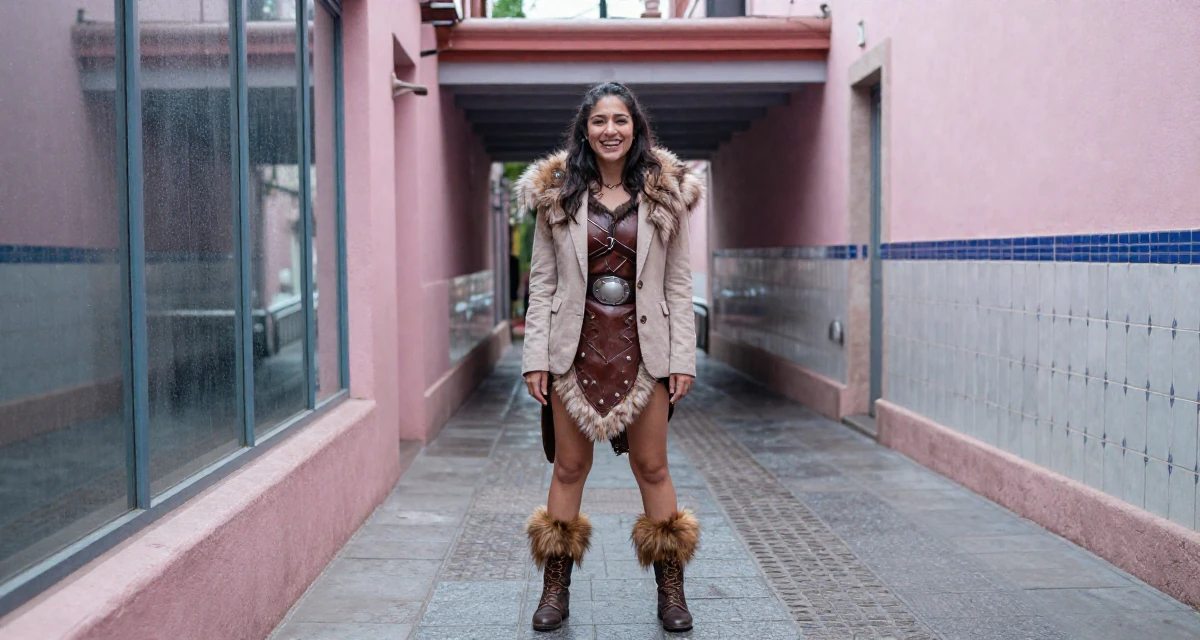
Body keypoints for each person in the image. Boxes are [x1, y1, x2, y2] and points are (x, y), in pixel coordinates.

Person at [517, 82, 702, 633]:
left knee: (653, 466)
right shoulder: (558, 195)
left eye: (620, 120)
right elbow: (543, 284)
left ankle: (671, 592)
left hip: (646, 354)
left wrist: (683, 359)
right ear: (585, 130)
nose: (610, 130)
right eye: (599, 121)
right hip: (572, 353)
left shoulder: (666, 194)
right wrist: (534, 358)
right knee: (569, 466)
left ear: (636, 127)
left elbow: (677, 282)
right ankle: (555, 591)